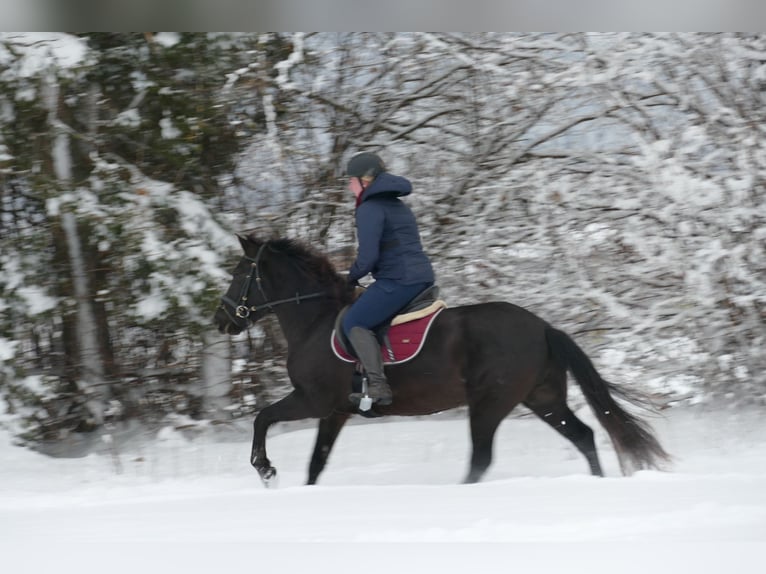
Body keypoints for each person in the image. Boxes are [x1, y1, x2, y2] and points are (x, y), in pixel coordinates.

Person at [342, 151, 435, 406]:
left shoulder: (369, 209)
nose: (349, 186)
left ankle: (378, 385)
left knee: (354, 321)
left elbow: (368, 256)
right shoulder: (397, 205)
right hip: (420, 277)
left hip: (399, 280)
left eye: (351, 180)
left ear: (366, 180)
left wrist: (351, 277)